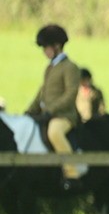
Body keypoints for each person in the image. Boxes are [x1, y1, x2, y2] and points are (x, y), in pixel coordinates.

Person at [26, 24, 85, 178]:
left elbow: (71, 93)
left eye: (46, 47)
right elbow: (42, 92)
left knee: (54, 132)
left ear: (57, 46)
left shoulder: (69, 67)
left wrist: (51, 110)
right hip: (47, 114)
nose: (44, 51)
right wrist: (29, 110)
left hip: (64, 116)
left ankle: (72, 172)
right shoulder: (50, 68)